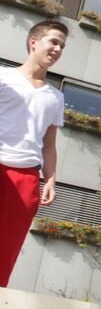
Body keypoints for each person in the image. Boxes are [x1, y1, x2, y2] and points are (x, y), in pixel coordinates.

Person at [0, 19, 67, 287]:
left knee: (6, 245)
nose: (58, 49)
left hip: (26, 176)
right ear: (34, 42)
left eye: (62, 45)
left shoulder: (55, 97)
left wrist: (49, 179)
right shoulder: (4, 77)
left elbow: (49, 144)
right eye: (53, 41)